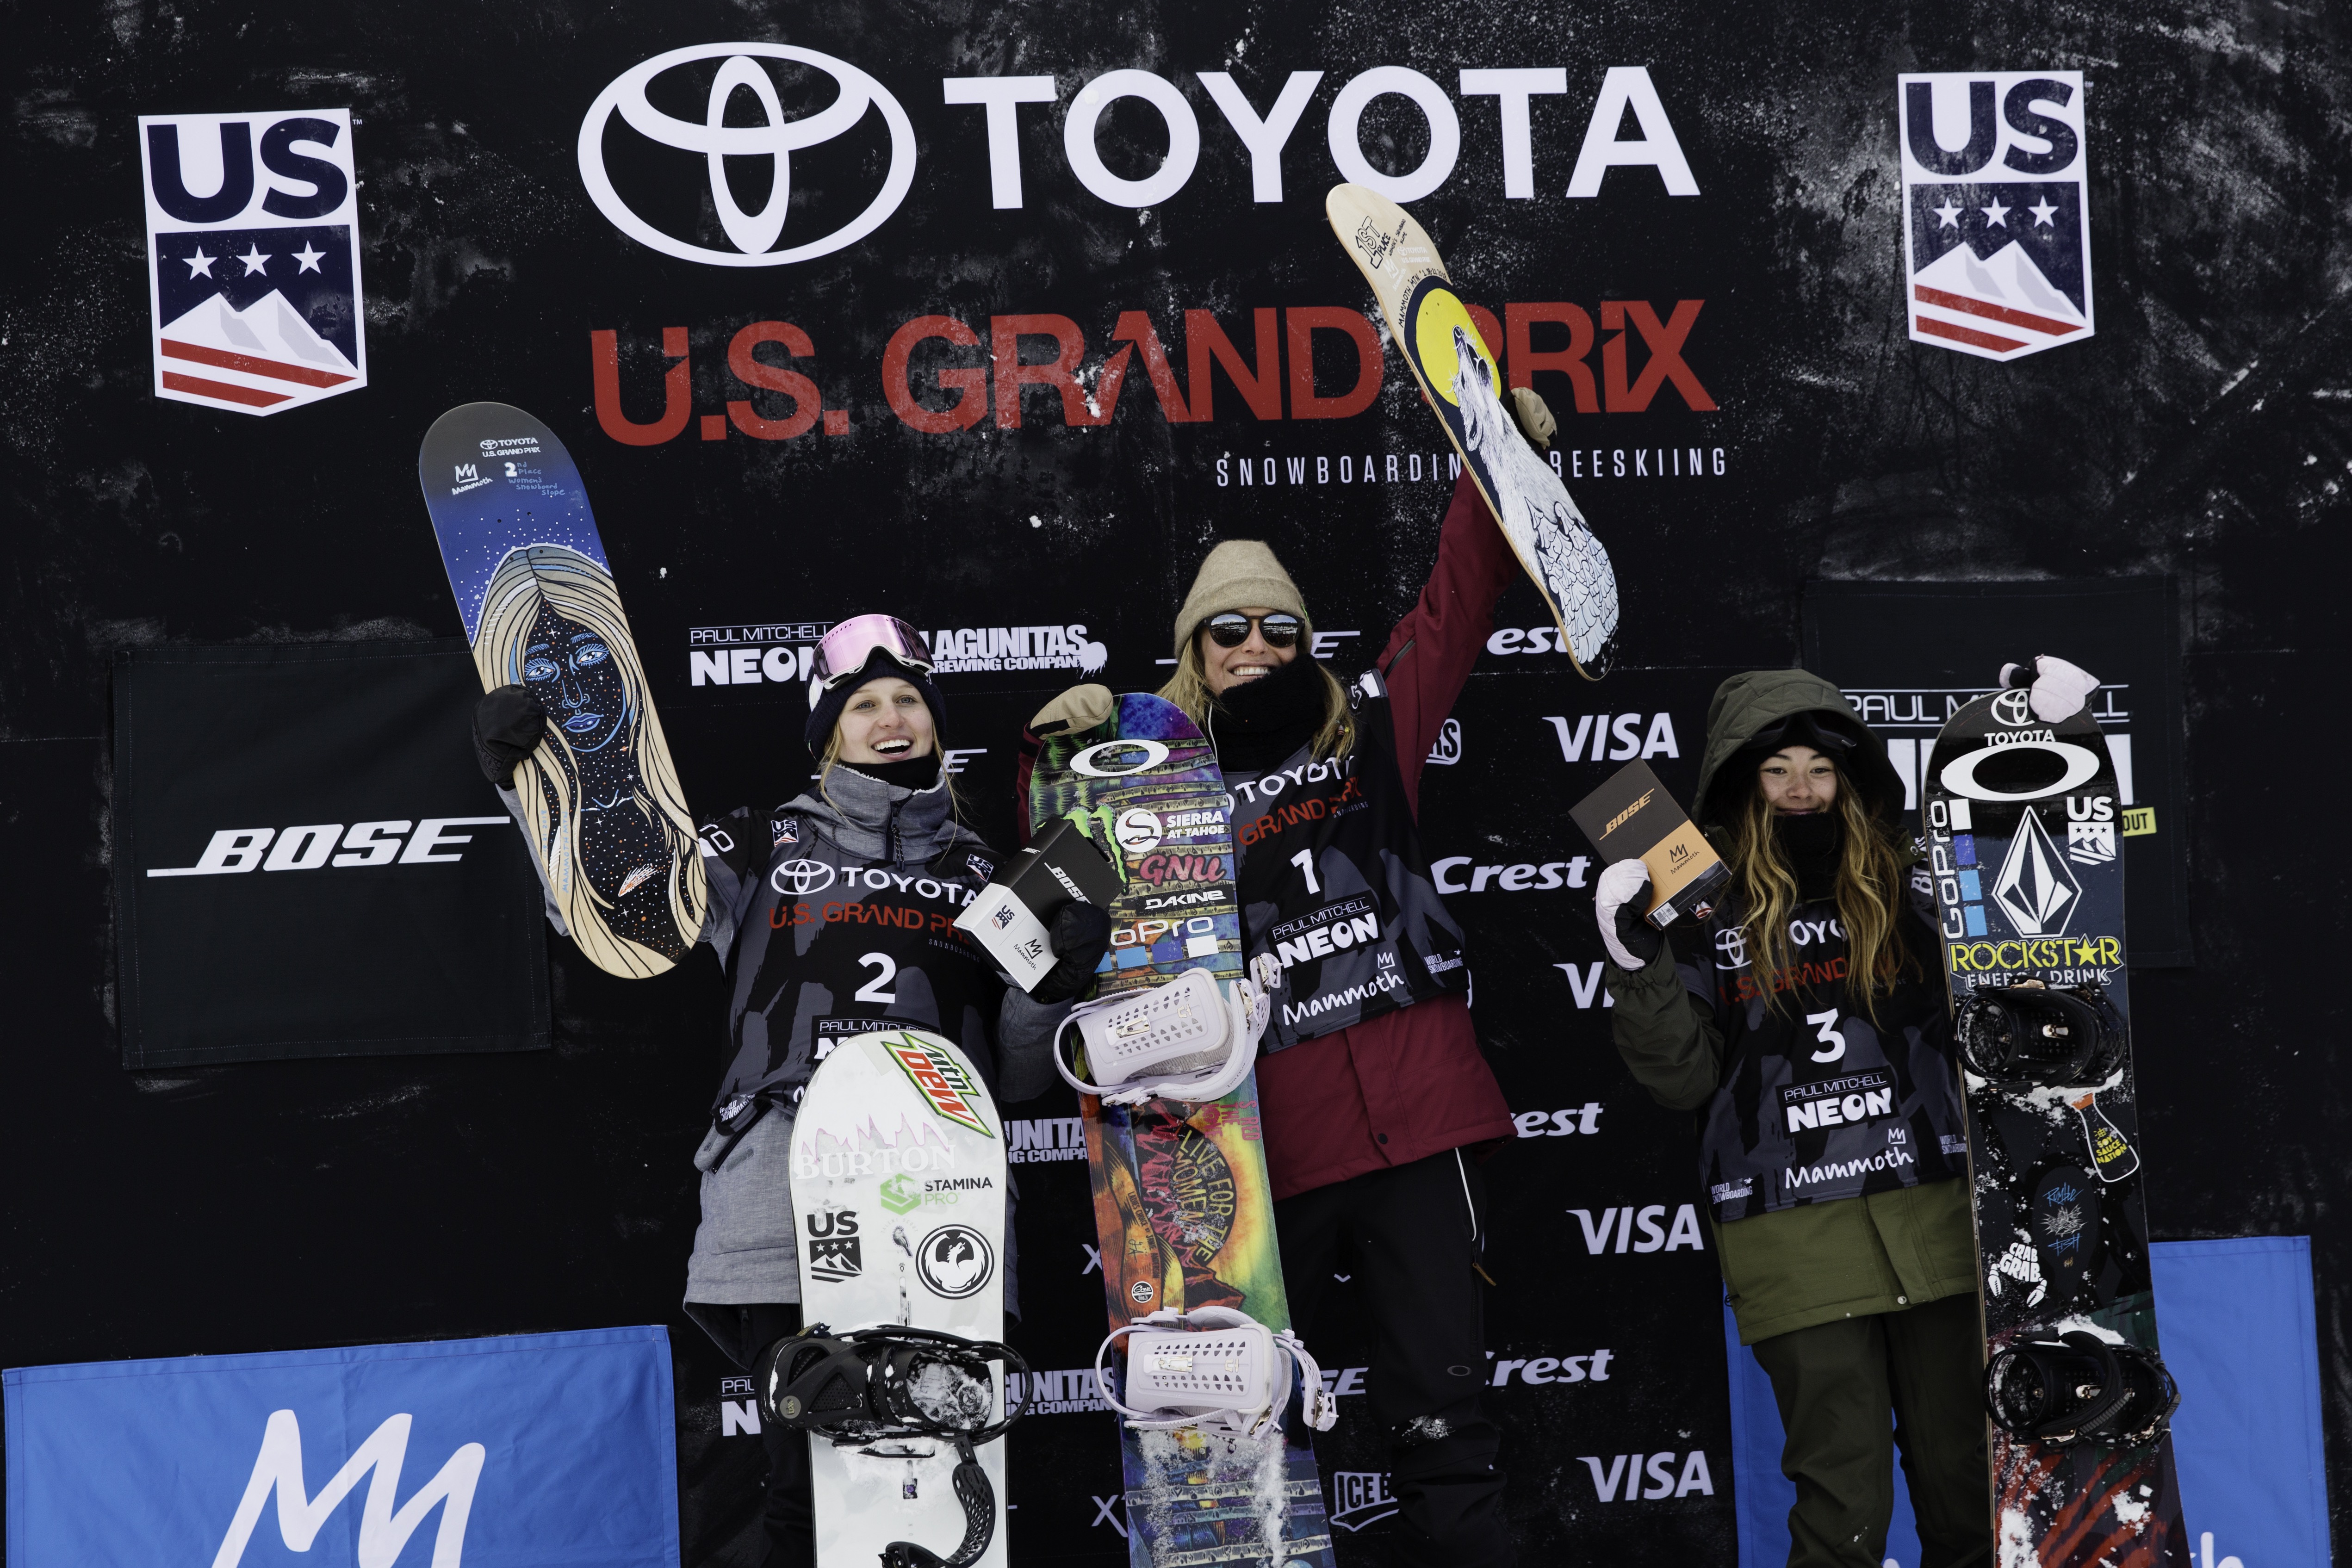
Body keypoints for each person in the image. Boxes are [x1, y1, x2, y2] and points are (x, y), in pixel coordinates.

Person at [1014, 394, 1563, 1568]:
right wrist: (1050, 763)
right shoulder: (1148, 784)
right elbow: (1036, 921)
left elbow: (1457, 602)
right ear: (1193, 651)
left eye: (1279, 629)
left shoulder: (1366, 740)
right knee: (1236, 1438)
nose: (1255, 647)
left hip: (1418, 1122)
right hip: (1254, 1148)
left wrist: (1501, 460)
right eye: (1229, 632)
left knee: (1440, 1418)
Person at [472, 613, 1106, 1568]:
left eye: (907, 703)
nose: (890, 721)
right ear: (827, 735)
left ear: (935, 723)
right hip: (787, 1181)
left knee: (937, 1490)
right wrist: (535, 786)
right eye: (863, 706)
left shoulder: (987, 872)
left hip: (946, 1194)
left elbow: (1017, 1080)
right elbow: (611, 913)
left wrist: (1054, 985)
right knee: (810, 1482)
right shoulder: (759, 842)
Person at [1593, 665, 2095, 1568]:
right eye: (1776, 769)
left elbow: (2016, 1002)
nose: (1798, 791)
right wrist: (1634, 965)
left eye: (1818, 770)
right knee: (1842, 1510)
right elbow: (1681, 1080)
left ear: (1850, 778)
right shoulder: (1698, 906)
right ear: (1741, 781)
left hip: (1937, 1226)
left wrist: (2034, 741)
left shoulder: (1914, 877)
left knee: (1965, 1495)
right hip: (1791, 1239)